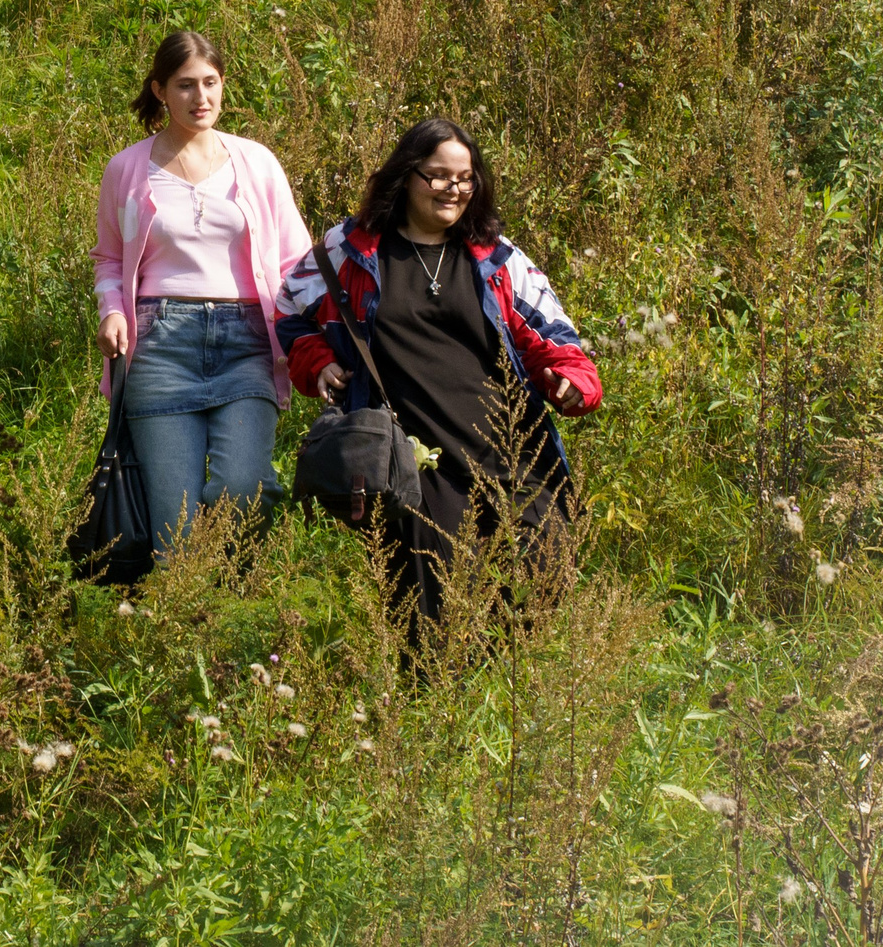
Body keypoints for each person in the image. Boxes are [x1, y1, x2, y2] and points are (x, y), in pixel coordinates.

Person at [275, 117, 603, 628]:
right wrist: (315, 361)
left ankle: (511, 698)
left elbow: (552, 334)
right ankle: (427, 700)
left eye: (466, 177)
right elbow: (289, 308)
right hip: (418, 462)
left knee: (548, 572)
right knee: (435, 612)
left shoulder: (495, 257)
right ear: (406, 176)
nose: (454, 189)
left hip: (512, 448)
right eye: (439, 176)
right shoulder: (351, 250)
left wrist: (571, 379)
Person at [92, 31, 314, 555]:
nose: (201, 98)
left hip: (247, 341)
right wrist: (110, 311)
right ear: (160, 91)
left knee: (247, 488)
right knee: (175, 526)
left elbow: (294, 261)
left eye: (210, 83)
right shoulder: (127, 168)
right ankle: (187, 618)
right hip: (159, 342)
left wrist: (314, 335)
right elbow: (107, 258)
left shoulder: (256, 163)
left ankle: (231, 592)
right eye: (185, 85)